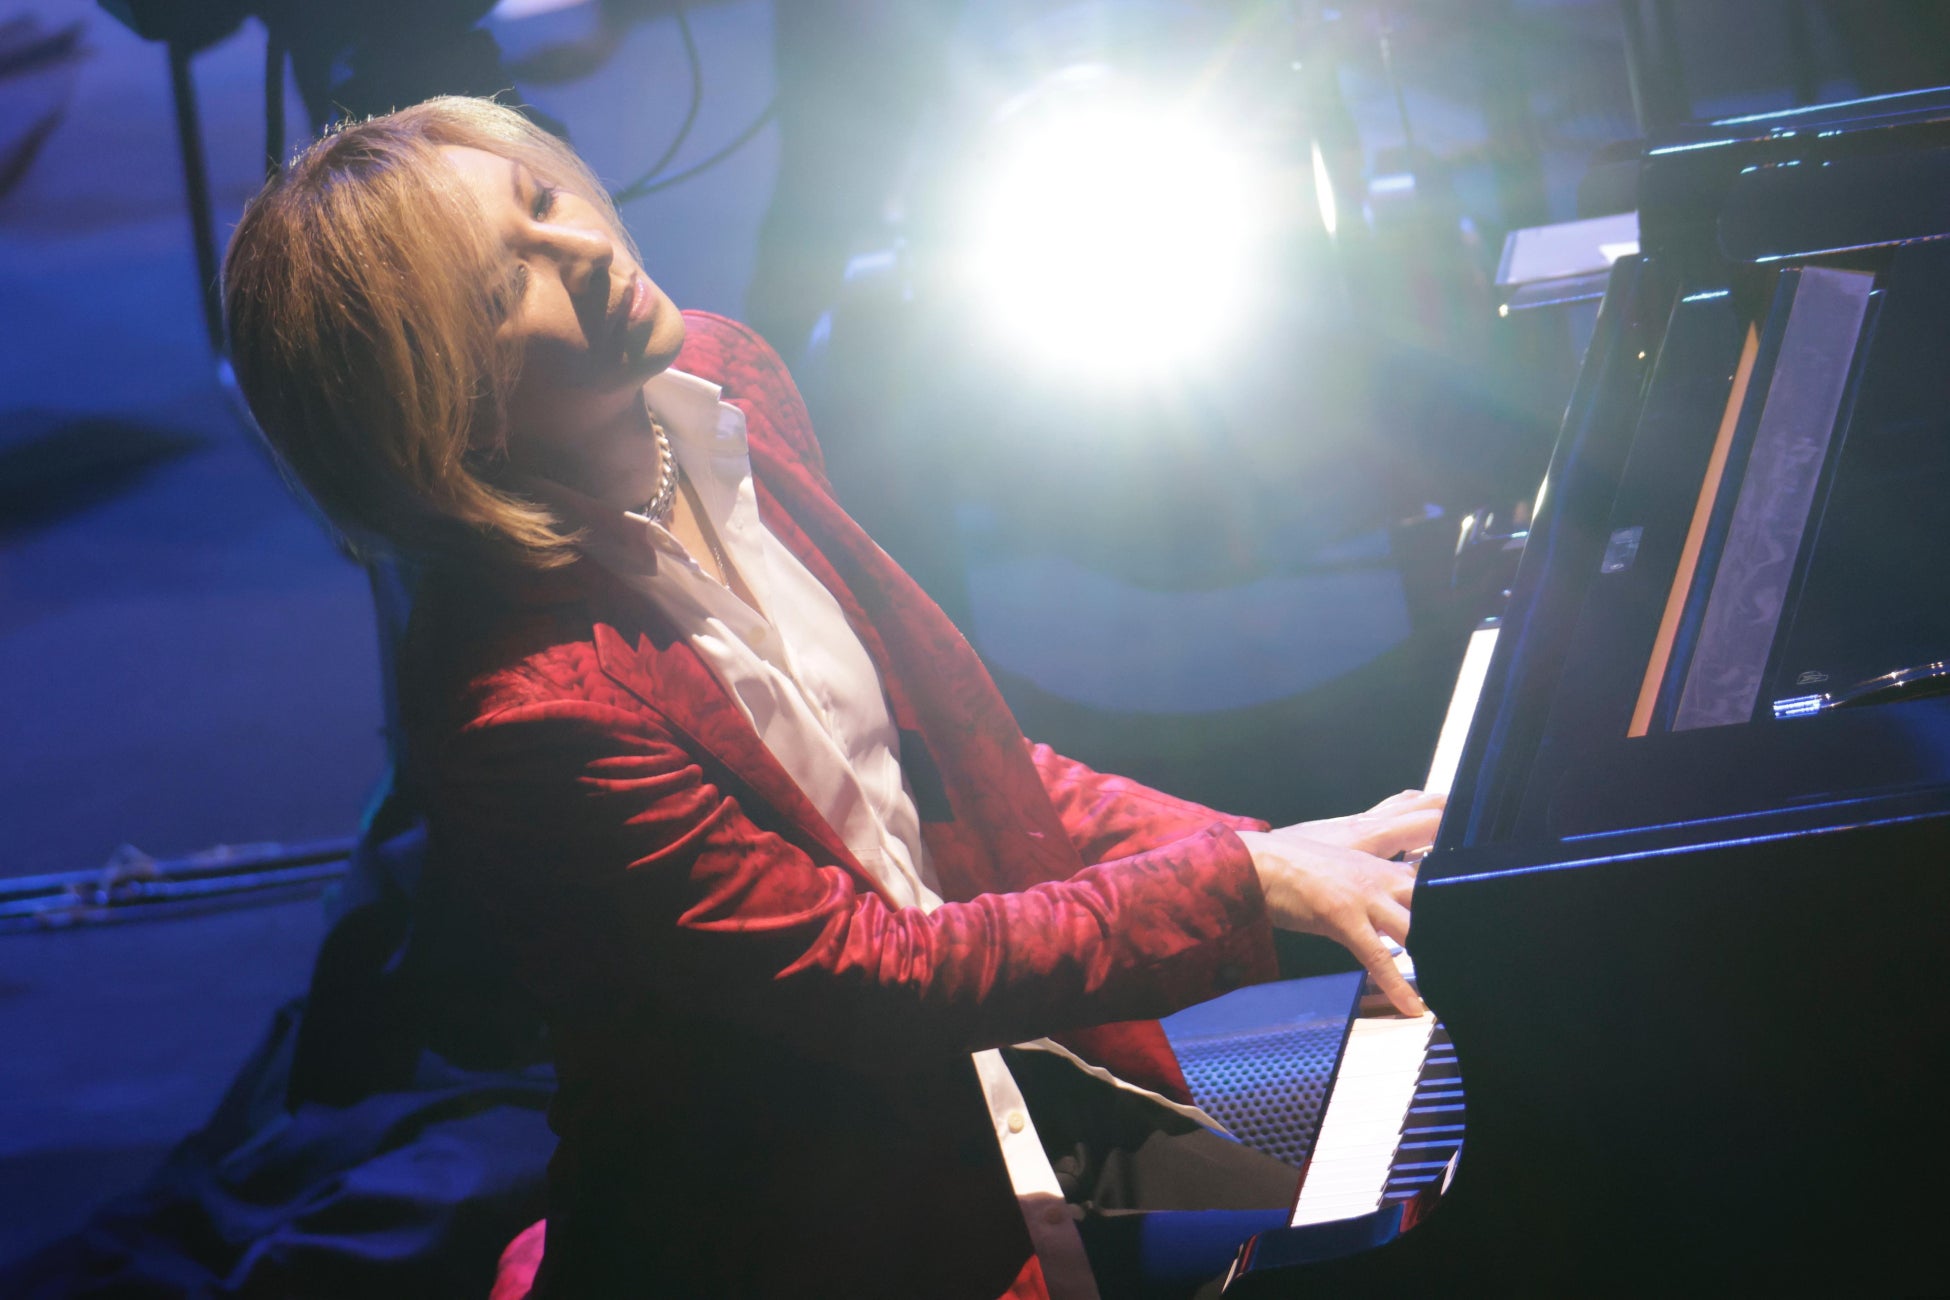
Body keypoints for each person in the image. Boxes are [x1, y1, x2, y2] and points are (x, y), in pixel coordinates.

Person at [221, 96, 1440, 1300]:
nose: (585, 246)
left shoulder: (723, 379)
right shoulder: (530, 709)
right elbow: (872, 975)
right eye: (508, 285)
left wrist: (1277, 850)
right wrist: (1240, 881)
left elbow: (952, 765)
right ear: (436, 404)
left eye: (545, 198)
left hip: (1017, 1097)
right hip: (819, 1230)